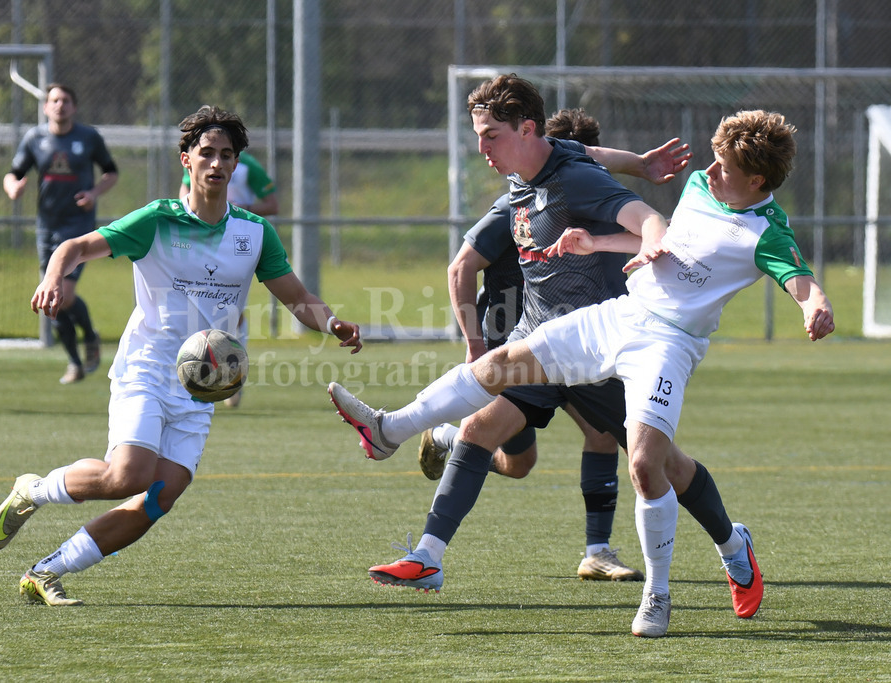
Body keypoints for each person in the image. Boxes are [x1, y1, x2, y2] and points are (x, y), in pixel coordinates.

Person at [330, 91, 834, 637]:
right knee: (501, 364)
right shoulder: (697, 185)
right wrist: (597, 240)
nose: (709, 172)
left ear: (756, 181)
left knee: (649, 466)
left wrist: (816, 307)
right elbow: (651, 224)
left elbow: (800, 281)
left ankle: (666, 590)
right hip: (620, 315)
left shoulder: (767, 233)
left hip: (668, 346)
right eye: (713, 159)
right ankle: (389, 431)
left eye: (725, 168)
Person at [0, 105, 363, 606]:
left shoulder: (253, 233)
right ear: (186, 159)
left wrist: (332, 323)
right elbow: (73, 247)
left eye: (226, 155)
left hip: (201, 387)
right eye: (206, 153)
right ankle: (34, 490)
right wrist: (54, 276)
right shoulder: (157, 220)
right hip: (146, 368)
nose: (217, 163)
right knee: (127, 476)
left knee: (159, 496)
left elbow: (297, 298)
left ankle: (47, 570)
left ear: (236, 164)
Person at [419, 107, 685, 583]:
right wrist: (476, 347)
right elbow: (460, 267)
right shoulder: (521, 201)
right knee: (517, 462)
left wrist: (642, 169)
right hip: (525, 343)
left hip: (587, 343)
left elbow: (615, 180)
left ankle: (597, 551)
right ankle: (444, 440)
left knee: (604, 434)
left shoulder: (597, 196)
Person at [3, 83, 119, 384]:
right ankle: (74, 362)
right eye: (54, 100)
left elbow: (111, 172)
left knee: (63, 293)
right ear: (45, 107)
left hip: (78, 228)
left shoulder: (88, 137)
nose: (60, 105)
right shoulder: (35, 138)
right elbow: (13, 174)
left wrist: (93, 193)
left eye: (65, 100)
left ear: (74, 107)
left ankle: (89, 335)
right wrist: (13, 188)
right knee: (49, 298)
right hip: (47, 226)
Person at [179, 149, 278, 407]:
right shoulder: (199, 162)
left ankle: (233, 374)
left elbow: (272, 204)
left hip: (235, 244)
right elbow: (184, 192)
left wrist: (240, 209)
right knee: (195, 306)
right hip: (200, 241)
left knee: (232, 311)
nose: (217, 161)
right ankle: (192, 369)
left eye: (225, 151)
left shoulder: (247, 167)